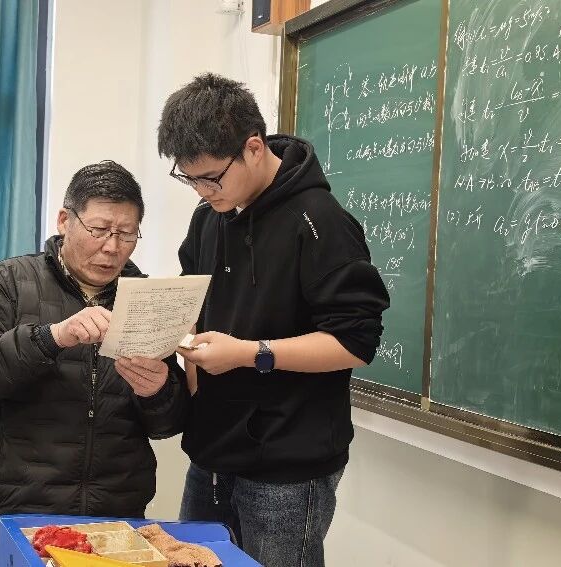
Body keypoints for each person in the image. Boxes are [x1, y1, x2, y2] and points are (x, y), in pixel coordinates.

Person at [158, 73, 390, 567]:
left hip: (287, 469)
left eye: (211, 178)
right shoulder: (209, 217)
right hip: (212, 453)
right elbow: (194, 302)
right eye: (189, 179)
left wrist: (250, 354)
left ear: (254, 147)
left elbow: (356, 341)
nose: (201, 191)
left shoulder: (320, 220)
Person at [0, 161, 188, 567]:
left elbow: (166, 425)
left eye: (126, 234)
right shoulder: (5, 283)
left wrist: (157, 390)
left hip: (114, 529)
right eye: (100, 229)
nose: (112, 247)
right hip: (12, 524)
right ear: (65, 220)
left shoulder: (146, 299)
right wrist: (50, 338)